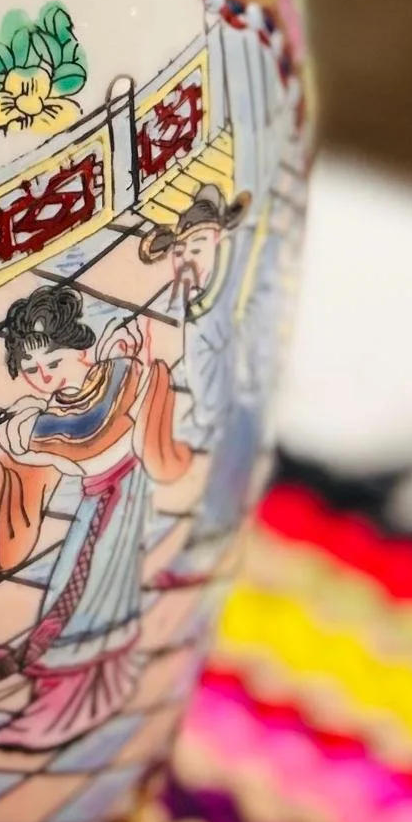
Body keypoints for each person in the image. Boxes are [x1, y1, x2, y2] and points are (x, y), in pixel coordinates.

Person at [0, 280, 189, 751]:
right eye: (33, 369)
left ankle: (75, 704)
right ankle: (66, 698)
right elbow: (36, 466)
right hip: (97, 507)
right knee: (71, 595)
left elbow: (112, 435)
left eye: (53, 362)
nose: (44, 376)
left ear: (83, 353)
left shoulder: (123, 379)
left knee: (88, 599)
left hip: (122, 505)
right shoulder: (40, 420)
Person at [137, 182, 259, 572]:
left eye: (197, 248)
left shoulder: (222, 288)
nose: (189, 258)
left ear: (218, 240)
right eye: (183, 251)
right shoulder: (197, 291)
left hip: (220, 412)